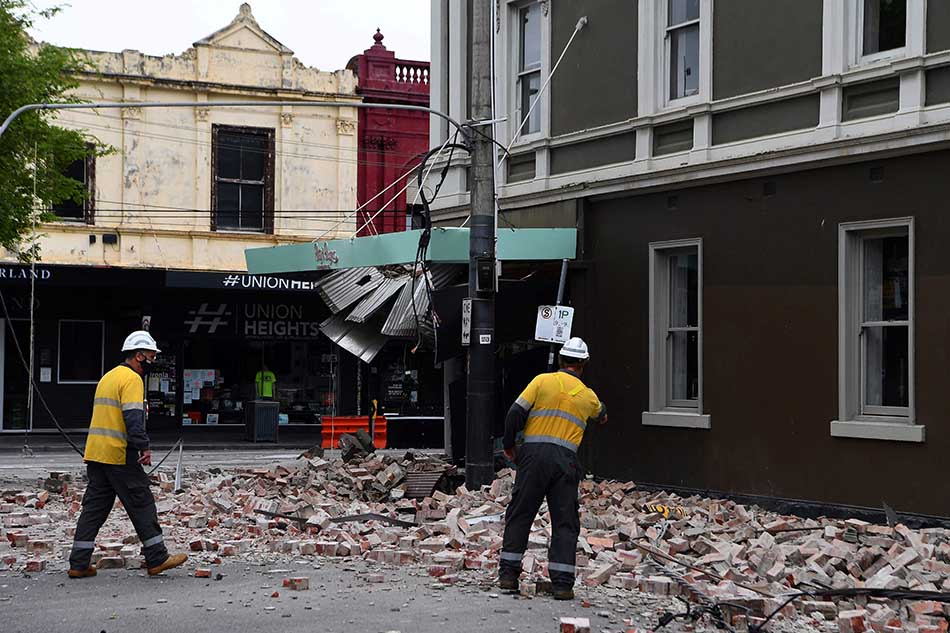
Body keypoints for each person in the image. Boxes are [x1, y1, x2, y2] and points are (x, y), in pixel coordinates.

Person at [67, 330, 188, 579]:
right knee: (142, 502)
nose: (152, 362)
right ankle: (157, 558)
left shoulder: (108, 377)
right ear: (139, 356)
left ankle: (78, 563)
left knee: (94, 509)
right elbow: (134, 419)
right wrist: (143, 446)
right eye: (151, 357)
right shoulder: (132, 379)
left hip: (96, 454)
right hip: (120, 454)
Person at [498, 337, 607, 600]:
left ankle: (509, 576)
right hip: (565, 462)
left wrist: (510, 445)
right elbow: (602, 416)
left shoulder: (541, 381)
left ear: (560, 360)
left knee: (521, 513)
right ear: (583, 364)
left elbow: (514, 413)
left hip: (532, 458)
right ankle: (562, 585)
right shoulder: (587, 395)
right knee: (565, 522)